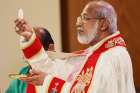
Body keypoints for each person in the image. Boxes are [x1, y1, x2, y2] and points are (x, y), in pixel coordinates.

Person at [13, 0, 136, 93]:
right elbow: (56, 70)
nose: (78, 23)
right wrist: (30, 37)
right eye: (79, 17)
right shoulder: (94, 54)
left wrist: (47, 82)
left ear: (103, 24)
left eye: (85, 18)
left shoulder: (112, 57)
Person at [5, 27, 54, 93]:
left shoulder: (60, 71)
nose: (27, 55)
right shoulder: (24, 73)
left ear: (50, 48)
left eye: (34, 48)